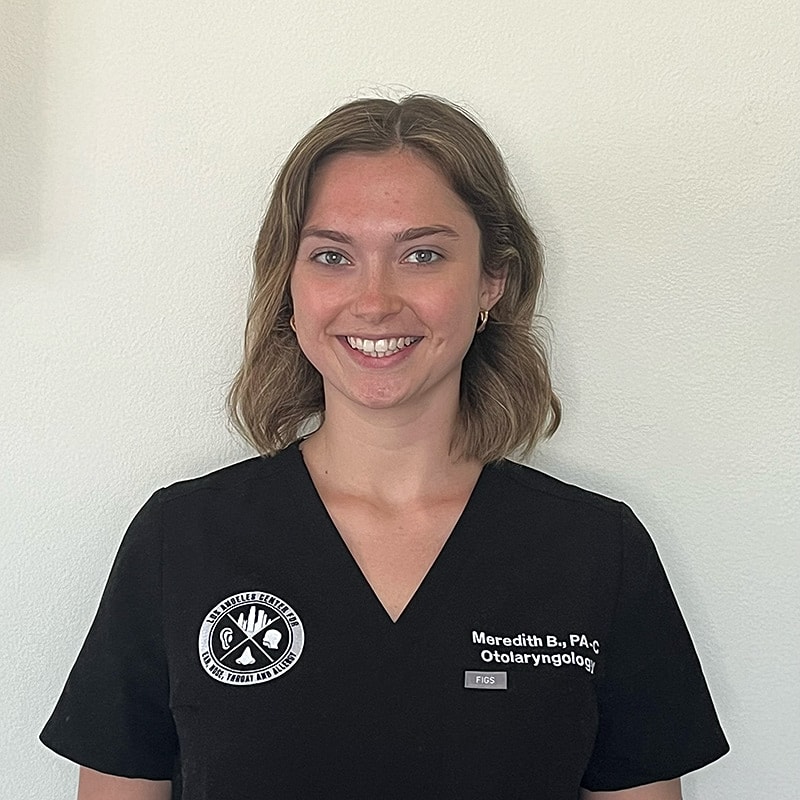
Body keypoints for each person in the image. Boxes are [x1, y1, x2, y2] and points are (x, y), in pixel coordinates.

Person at [41, 95, 729, 799]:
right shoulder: (182, 540)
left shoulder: (596, 552)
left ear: (492, 280)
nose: (374, 301)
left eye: (421, 255)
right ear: (290, 287)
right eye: (333, 256)